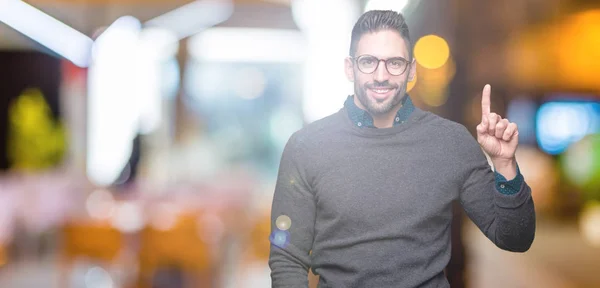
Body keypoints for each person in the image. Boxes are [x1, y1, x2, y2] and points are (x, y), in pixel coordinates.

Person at [268, 10, 535, 288]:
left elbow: (515, 238)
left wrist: (504, 165)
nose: (381, 75)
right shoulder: (306, 147)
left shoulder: (451, 142)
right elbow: (287, 256)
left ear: (411, 70)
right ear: (350, 68)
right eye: (368, 62)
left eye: (394, 63)